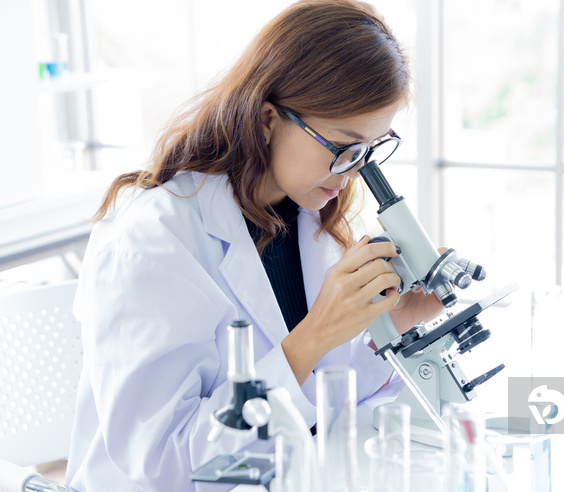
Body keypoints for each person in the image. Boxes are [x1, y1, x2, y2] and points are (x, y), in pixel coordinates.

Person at [65, 1, 444, 490]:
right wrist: (314, 335)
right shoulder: (150, 241)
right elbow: (167, 463)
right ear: (268, 117)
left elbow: (318, 397)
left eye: (369, 150)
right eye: (342, 146)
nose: (351, 171)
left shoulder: (303, 216)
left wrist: (393, 320)